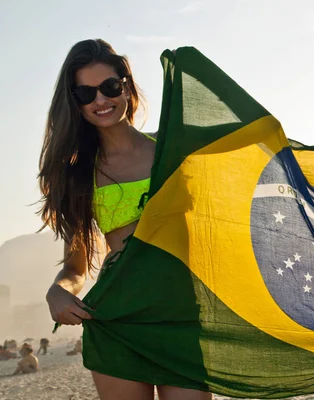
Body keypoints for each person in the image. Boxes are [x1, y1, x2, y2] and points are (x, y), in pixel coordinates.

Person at [38, 39, 212, 400]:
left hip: (178, 311)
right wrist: (58, 290)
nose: (100, 100)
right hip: (116, 316)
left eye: (109, 87)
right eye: (86, 93)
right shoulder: (78, 175)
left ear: (127, 86)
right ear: (76, 103)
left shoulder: (174, 152)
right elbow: (77, 265)